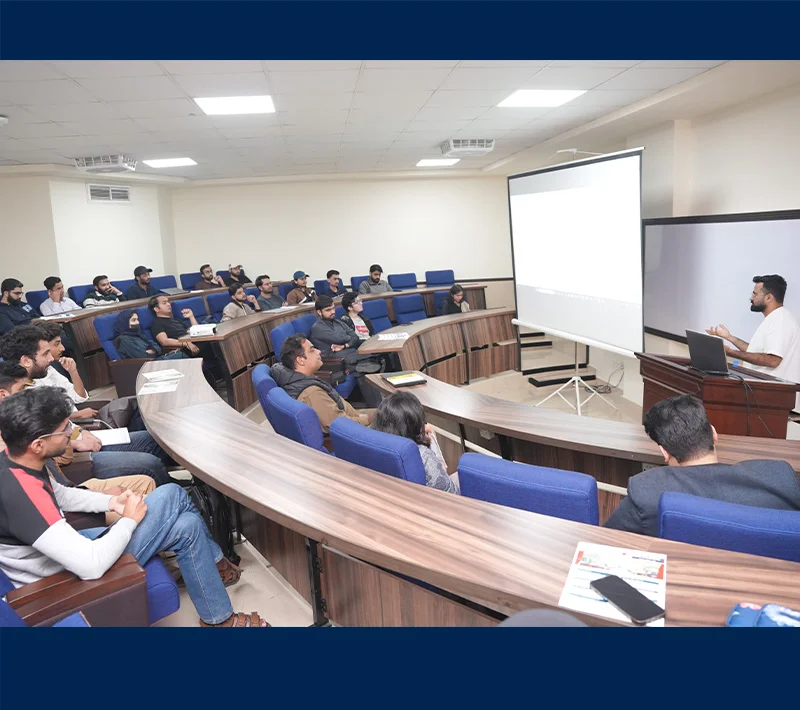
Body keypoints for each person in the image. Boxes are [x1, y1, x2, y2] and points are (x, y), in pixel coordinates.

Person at [0, 387, 270, 627]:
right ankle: (217, 562)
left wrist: (111, 502)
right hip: (64, 580)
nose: (71, 434)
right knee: (173, 494)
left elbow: (62, 495)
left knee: (187, 525)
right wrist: (129, 519)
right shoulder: (20, 497)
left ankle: (218, 618)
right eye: (64, 430)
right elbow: (91, 566)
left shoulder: (15, 461)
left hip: (69, 554)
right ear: (38, 444)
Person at [604, 394, 800, 536]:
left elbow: (608, 541)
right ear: (714, 434)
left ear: (664, 452)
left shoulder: (648, 490)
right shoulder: (780, 477)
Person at [0, 326, 173, 486]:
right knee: (149, 463)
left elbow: (70, 409)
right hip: (75, 457)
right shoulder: (19, 400)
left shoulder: (40, 378)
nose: (51, 358)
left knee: (154, 438)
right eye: (45, 354)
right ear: (26, 360)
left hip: (81, 436)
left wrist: (81, 432)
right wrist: (75, 442)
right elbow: (44, 444)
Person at [0, 370, 156, 526]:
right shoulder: (15, 457)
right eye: (22, 389)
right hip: (66, 514)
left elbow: (61, 490)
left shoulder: (26, 433)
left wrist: (73, 432)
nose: (27, 394)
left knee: (147, 484)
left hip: (67, 490)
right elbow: (50, 510)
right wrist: (112, 504)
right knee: (155, 505)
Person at [707, 274, 800, 409]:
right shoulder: (775, 318)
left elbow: (773, 360)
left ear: (768, 297)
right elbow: (756, 352)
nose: (751, 298)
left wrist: (731, 352)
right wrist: (730, 337)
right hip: (766, 397)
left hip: (773, 399)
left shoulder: (780, 321)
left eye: (755, 294)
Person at [271, 334, 375, 433]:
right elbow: (340, 426)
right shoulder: (312, 393)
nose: (319, 351)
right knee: (384, 416)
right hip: (358, 428)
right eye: (312, 350)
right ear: (301, 360)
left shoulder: (303, 380)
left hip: (352, 415)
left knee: (383, 412)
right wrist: (365, 419)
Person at [373, 391, 460, 494]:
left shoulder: (373, 445)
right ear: (416, 424)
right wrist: (434, 445)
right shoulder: (422, 455)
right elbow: (449, 491)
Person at [31, 322, 93, 417]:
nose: (62, 348)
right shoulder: (29, 380)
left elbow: (80, 397)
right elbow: (45, 418)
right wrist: (78, 415)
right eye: (57, 344)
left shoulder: (50, 369)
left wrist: (73, 372)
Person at [113, 309, 188, 361]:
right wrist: (153, 350)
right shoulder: (123, 340)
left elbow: (157, 347)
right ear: (125, 323)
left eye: (137, 319)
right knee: (183, 355)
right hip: (146, 366)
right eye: (133, 320)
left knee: (183, 354)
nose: (137, 322)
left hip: (156, 360)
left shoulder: (139, 334)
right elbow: (143, 356)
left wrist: (152, 350)